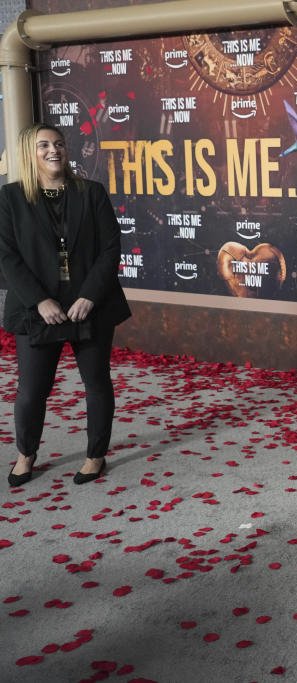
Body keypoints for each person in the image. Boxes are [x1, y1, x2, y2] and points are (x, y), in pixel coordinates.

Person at [0, 123, 131, 487]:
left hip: (89, 304)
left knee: (97, 383)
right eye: (43, 145)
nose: (53, 150)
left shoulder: (91, 193)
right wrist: (40, 301)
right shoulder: (10, 198)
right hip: (36, 309)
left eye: (58, 143)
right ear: (30, 152)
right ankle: (26, 454)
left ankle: (95, 457)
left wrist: (89, 295)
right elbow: (7, 257)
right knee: (31, 390)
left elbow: (110, 248)